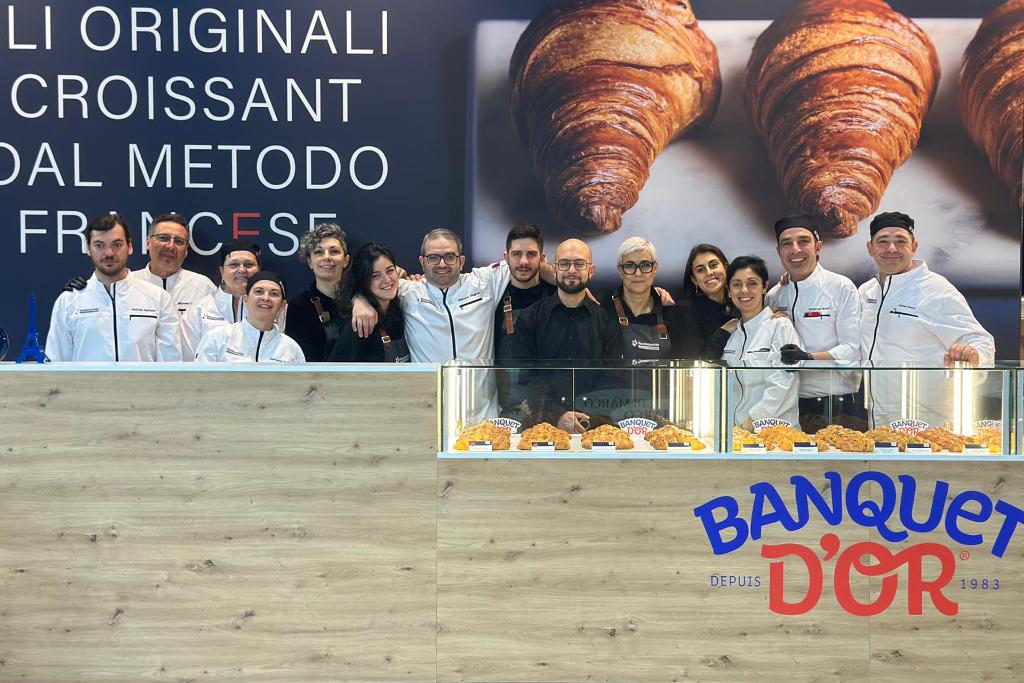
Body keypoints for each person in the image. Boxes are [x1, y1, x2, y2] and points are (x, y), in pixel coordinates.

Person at [859, 211, 995, 426]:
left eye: (900, 241)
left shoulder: (936, 289)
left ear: (914, 247)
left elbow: (979, 340)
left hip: (929, 417)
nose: (891, 248)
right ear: (870, 248)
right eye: (883, 241)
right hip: (879, 414)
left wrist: (973, 354)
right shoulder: (866, 292)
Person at [509, 239, 623, 432]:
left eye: (579, 264)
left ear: (591, 270)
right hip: (542, 425)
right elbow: (527, 377)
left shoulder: (607, 322)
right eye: (564, 263)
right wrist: (558, 414)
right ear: (554, 270)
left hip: (594, 427)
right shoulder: (530, 318)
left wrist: (584, 416)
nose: (571, 270)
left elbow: (613, 378)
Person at [766, 214, 863, 431]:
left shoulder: (841, 287)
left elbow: (853, 349)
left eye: (803, 241)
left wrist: (807, 357)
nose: (795, 250)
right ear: (779, 251)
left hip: (835, 401)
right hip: (787, 401)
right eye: (787, 244)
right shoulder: (774, 296)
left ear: (818, 246)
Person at [46, 212, 180, 362]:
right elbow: (56, 364)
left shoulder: (159, 299)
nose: (109, 253)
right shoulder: (68, 301)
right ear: (88, 249)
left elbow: (171, 365)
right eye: (99, 245)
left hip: (142, 380)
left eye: (116, 245)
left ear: (129, 247)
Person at [62, 212, 217, 319]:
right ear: (148, 242)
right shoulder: (125, 284)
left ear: (186, 250)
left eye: (179, 241)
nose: (170, 246)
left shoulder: (203, 288)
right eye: (163, 238)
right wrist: (82, 292)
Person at [721, 255, 801, 430]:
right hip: (738, 435)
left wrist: (751, 422)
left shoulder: (780, 326)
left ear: (764, 286)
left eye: (752, 283)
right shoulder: (733, 338)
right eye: (736, 284)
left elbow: (783, 384)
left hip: (774, 433)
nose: (744, 290)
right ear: (729, 290)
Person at [601, 237, 704, 363]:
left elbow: (687, 365)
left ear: (655, 268)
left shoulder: (673, 313)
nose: (638, 273)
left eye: (645, 265)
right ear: (620, 270)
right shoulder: (603, 311)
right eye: (629, 266)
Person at [179, 240, 283, 360]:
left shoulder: (271, 308)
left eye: (249, 265)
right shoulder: (199, 311)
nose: (242, 270)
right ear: (222, 271)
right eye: (234, 265)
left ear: (258, 269)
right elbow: (188, 362)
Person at [195, 271, 304, 363]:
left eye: (274, 294)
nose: (266, 298)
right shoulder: (217, 338)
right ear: (246, 299)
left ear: (282, 305)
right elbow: (199, 379)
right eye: (259, 292)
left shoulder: (291, 348)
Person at [327, 243, 409, 362]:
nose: (387, 280)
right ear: (363, 280)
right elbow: (336, 371)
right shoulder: (359, 326)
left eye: (390, 271)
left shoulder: (403, 307)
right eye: (376, 276)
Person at [286, 223, 350, 362]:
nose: (327, 257)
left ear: (346, 260)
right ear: (309, 261)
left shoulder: (361, 300)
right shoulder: (299, 307)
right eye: (318, 252)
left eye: (334, 251)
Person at [493, 223, 556, 360]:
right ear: (506, 258)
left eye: (531, 254)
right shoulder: (493, 297)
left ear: (542, 258)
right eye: (517, 254)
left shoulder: (557, 297)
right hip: (504, 374)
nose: (524, 261)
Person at [683, 243, 735, 358]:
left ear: (726, 268)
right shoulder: (686, 311)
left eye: (713, 265)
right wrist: (725, 331)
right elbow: (693, 362)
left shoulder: (742, 304)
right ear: (694, 279)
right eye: (700, 270)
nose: (709, 272)